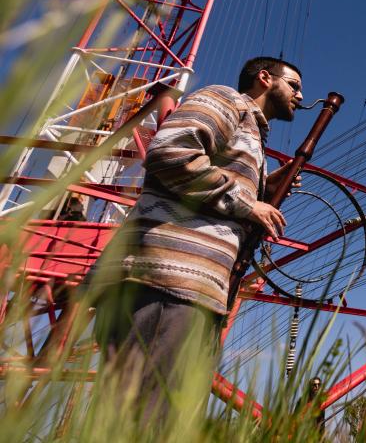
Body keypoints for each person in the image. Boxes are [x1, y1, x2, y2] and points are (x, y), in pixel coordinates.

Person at [89, 56, 304, 421]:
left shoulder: (254, 137)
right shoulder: (225, 99)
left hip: (198, 291)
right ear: (265, 78)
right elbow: (171, 154)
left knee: (170, 420)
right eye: (294, 85)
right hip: (166, 280)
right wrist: (249, 204)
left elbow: (223, 197)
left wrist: (266, 187)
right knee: (139, 417)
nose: (301, 95)